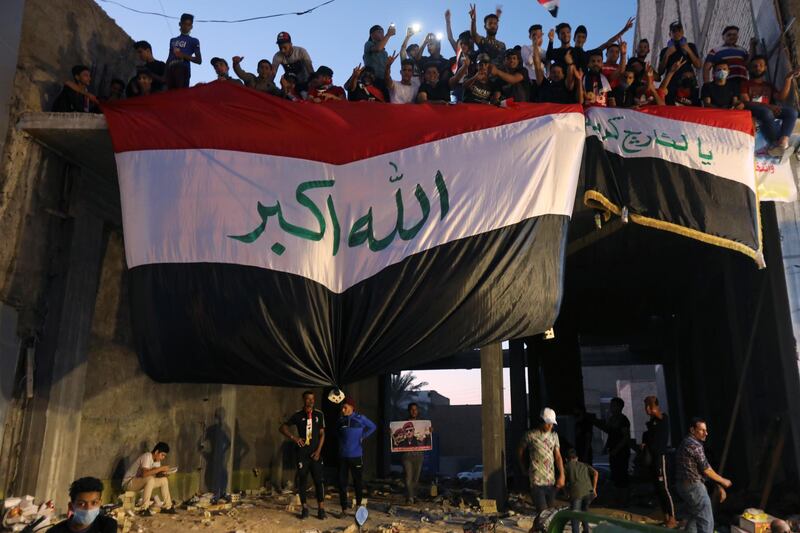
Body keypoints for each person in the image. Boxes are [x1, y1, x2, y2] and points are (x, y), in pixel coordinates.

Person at [675, 418, 732, 533]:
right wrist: (722, 481)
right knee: (706, 521)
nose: (706, 433)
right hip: (693, 487)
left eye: (706, 430)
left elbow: (704, 467)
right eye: (701, 430)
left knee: (695, 518)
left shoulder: (687, 443)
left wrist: (718, 485)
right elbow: (706, 470)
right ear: (692, 430)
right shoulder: (694, 445)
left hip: (686, 486)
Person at [279, 390, 326, 519]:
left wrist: (318, 451)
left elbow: (322, 435)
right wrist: (294, 438)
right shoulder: (298, 415)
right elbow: (282, 427)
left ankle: (321, 509)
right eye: (308, 399)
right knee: (302, 481)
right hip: (302, 454)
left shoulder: (319, 414)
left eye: (312, 399)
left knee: (318, 481)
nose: (311, 401)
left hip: (315, 454)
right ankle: (304, 508)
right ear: (303, 400)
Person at [741, 55, 800, 157]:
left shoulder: (768, 85)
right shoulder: (745, 84)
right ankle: (774, 144)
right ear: (750, 68)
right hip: (754, 110)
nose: (758, 68)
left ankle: (782, 143)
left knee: (792, 112)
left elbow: (781, 97)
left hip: (768, 110)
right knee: (766, 112)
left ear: (765, 68)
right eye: (754, 66)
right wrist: (769, 107)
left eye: (760, 65)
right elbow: (746, 103)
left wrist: (788, 79)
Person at [518, 407, 566, 514]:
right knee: (543, 513)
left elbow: (558, 456)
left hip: (551, 481)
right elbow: (520, 451)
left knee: (549, 514)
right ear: (541, 421)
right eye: (548, 423)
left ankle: (536, 529)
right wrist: (523, 468)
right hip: (536, 481)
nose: (550, 426)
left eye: (552, 424)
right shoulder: (530, 435)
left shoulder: (554, 436)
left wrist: (562, 475)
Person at [336, 397, 377, 514]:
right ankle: (344, 509)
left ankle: (359, 507)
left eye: (345, 407)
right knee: (342, 483)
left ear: (351, 407)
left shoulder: (360, 419)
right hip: (343, 456)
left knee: (357, 482)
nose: (343, 410)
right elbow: (336, 433)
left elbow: (373, 427)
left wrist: (363, 436)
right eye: (342, 408)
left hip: (356, 456)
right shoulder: (340, 420)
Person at [641, 396, 676, 527]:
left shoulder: (662, 418)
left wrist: (652, 406)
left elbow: (659, 415)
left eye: (649, 406)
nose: (647, 409)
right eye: (646, 406)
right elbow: (648, 436)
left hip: (660, 457)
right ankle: (666, 517)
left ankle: (672, 517)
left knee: (664, 488)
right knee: (657, 488)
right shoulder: (651, 423)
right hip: (653, 459)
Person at [122, 442, 175, 515]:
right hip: (129, 483)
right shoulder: (147, 456)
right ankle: (144, 508)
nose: (163, 457)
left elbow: (155, 475)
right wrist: (160, 468)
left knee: (164, 480)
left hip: (140, 482)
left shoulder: (157, 461)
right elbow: (145, 474)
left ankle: (168, 506)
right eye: (162, 455)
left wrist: (164, 474)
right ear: (156, 452)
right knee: (150, 479)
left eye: (164, 456)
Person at [594, 398, 630, 503]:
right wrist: (607, 447)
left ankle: (624, 499)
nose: (611, 408)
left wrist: (617, 449)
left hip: (621, 452)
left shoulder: (623, 420)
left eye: (613, 405)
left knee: (622, 475)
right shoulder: (612, 419)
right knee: (615, 475)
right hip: (613, 451)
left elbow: (625, 437)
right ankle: (618, 499)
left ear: (619, 407)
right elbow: (610, 434)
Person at [47, 477, 116, 533]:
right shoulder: (55, 531)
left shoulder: (107, 525)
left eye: (94, 503)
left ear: (100, 503)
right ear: (71, 506)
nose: (88, 508)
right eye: (81, 504)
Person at [658, 21, 702, 103]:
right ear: (669, 34)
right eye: (674, 31)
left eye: (679, 30)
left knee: (693, 109)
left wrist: (688, 50)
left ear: (682, 32)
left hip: (689, 84)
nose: (677, 33)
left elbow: (698, 65)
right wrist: (667, 54)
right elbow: (660, 72)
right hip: (672, 86)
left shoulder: (690, 46)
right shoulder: (664, 51)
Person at [703, 26, 749, 92]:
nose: (732, 37)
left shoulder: (743, 51)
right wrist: (707, 86)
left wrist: (752, 47)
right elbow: (706, 68)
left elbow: (748, 65)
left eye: (734, 35)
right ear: (723, 37)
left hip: (742, 83)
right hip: (724, 85)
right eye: (729, 35)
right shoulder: (715, 51)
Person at [564, 448, 598, 533]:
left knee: (575, 517)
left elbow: (562, 481)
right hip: (589, 493)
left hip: (577, 493)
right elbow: (596, 473)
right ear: (577, 458)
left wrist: (566, 492)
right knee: (584, 512)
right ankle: (586, 531)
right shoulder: (584, 464)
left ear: (566, 459)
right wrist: (594, 489)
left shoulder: (566, 466)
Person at [165, 13, 201, 89]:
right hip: (170, 70)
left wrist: (183, 55)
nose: (186, 27)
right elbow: (169, 57)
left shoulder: (194, 41)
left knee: (180, 95)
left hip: (183, 69)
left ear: (191, 27)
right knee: (169, 96)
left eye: (188, 25)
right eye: (184, 24)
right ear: (180, 24)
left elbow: (199, 60)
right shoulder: (173, 40)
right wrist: (164, 73)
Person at [401, 403, 424, 504]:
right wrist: (392, 433)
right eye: (412, 409)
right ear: (409, 411)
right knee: (408, 477)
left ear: (418, 411)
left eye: (415, 409)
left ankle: (413, 496)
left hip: (419, 455)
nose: (414, 411)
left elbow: (426, 438)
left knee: (416, 478)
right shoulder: (403, 423)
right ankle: (410, 497)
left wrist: (430, 431)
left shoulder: (422, 424)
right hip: (407, 455)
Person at [363, 24, 395, 96]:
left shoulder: (384, 53)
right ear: (372, 35)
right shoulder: (368, 44)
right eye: (379, 32)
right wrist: (388, 34)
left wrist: (389, 64)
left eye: (383, 32)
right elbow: (378, 48)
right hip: (371, 80)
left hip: (383, 81)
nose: (382, 34)